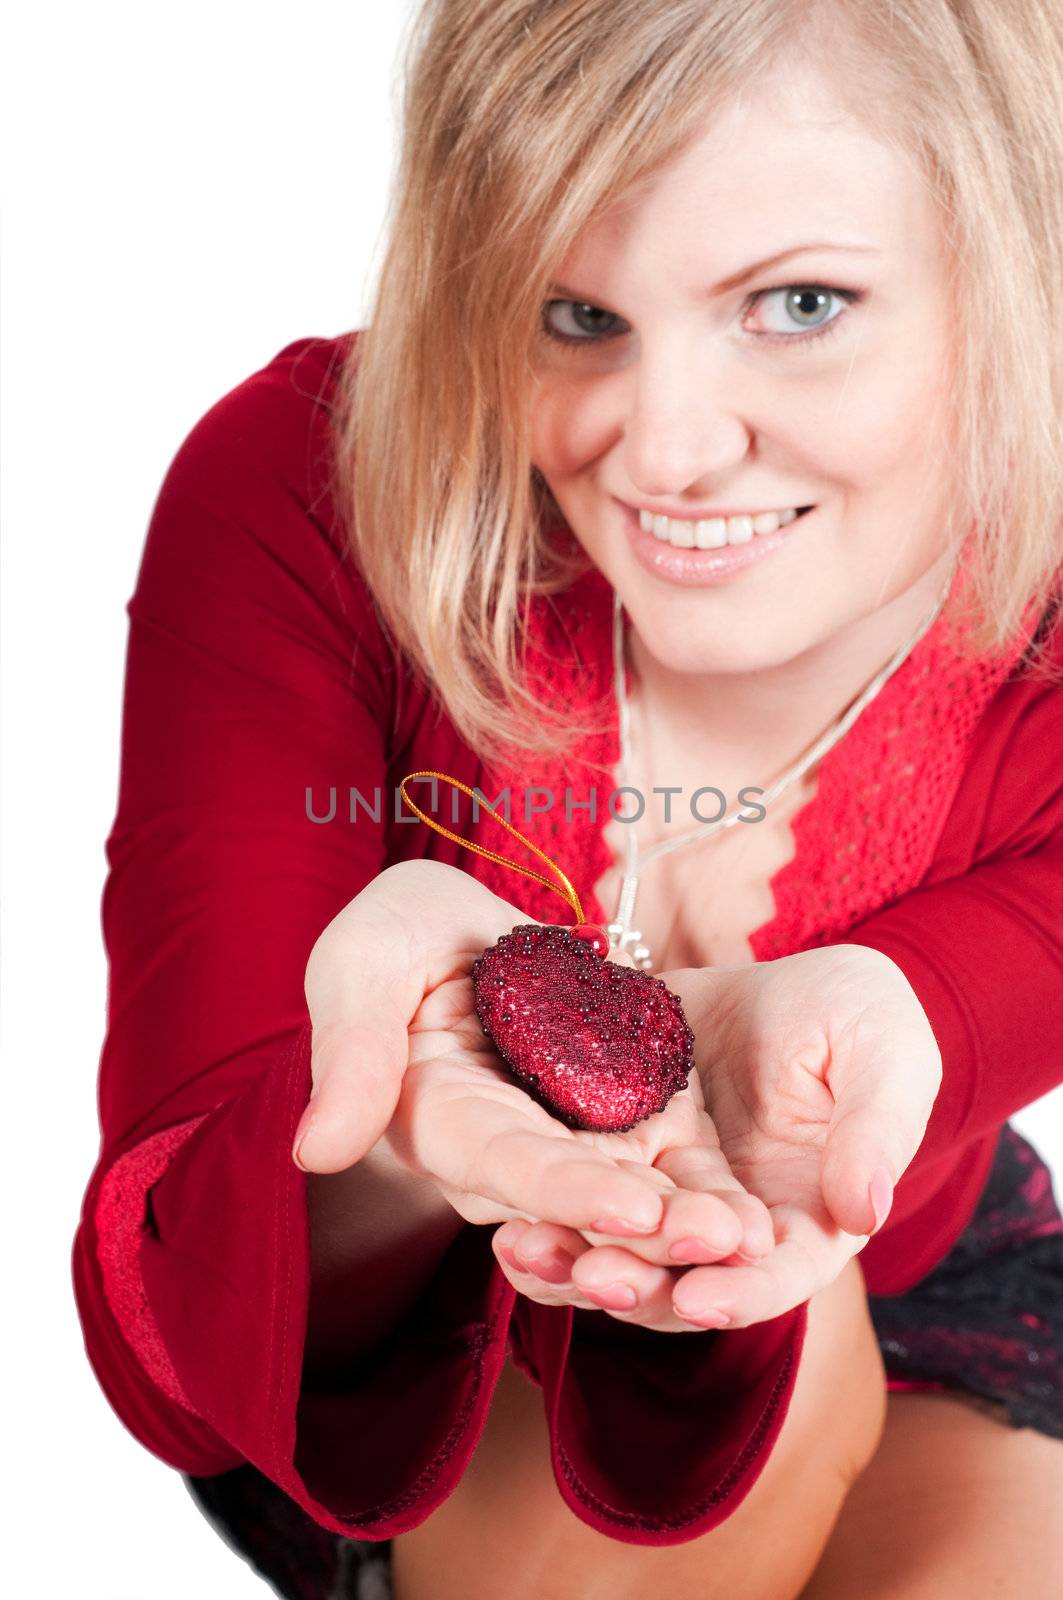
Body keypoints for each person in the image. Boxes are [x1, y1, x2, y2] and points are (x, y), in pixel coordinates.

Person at [71, 2, 1063, 1597]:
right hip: (402, 1350)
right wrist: (389, 1129)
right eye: (574, 313)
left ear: (1019, 261)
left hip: (934, 1269)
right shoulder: (300, 493)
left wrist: (918, 1000)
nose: (662, 451)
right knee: (750, 1324)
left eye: (799, 303)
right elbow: (164, 1358)